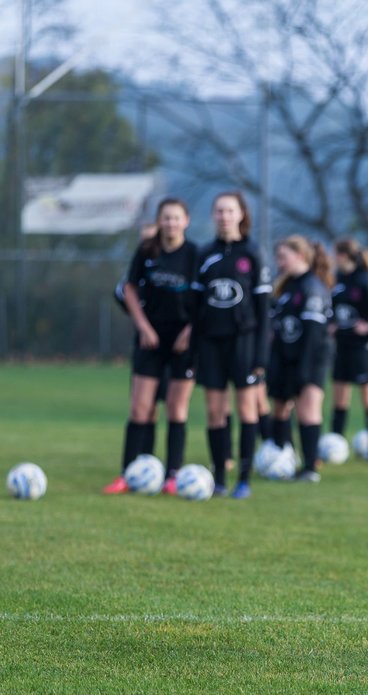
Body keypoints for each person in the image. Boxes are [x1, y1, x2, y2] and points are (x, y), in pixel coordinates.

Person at [104, 198, 199, 495]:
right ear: (159, 221)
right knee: (140, 408)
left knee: (175, 408)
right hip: (150, 339)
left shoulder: (195, 254)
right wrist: (143, 326)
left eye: (176, 218)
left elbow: (205, 298)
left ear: (186, 221)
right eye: (165, 218)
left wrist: (190, 331)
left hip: (183, 342)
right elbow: (129, 289)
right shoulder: (147, 250)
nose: (170, 223)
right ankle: (128, 473)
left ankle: (173, 476)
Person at [191, 191, 271, 499]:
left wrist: (261, 354)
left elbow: (264, 310)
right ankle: (220, 477)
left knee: (247, 408)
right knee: (215, 411)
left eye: (230, 211)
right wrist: (194, 348)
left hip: (245, 342)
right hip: (212, 343)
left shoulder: (253, 253)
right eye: (219, 211)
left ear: (241, 215)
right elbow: (197, 307)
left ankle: (244, 478)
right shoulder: (205, 253)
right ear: (214, 215)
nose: (224, 216)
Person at [267, 235, 334, 482]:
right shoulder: (286, 286)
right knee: (280, 407)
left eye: (283, 256)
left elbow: (314, 335)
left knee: (307, 410)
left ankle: (309, 468)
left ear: (300, 256)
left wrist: (304, 371)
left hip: (310, 359)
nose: (279, 262)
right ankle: (286, 458)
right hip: (286, 357)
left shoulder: (312, 287)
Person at [329, 238, 368, 460]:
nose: (333, 257)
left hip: (363, 349)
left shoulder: (365, 280)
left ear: (344, 255)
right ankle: (334, 447)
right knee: (340, 400)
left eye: (335, 253)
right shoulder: (336, 279)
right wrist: (331, 324)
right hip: (342, 347)